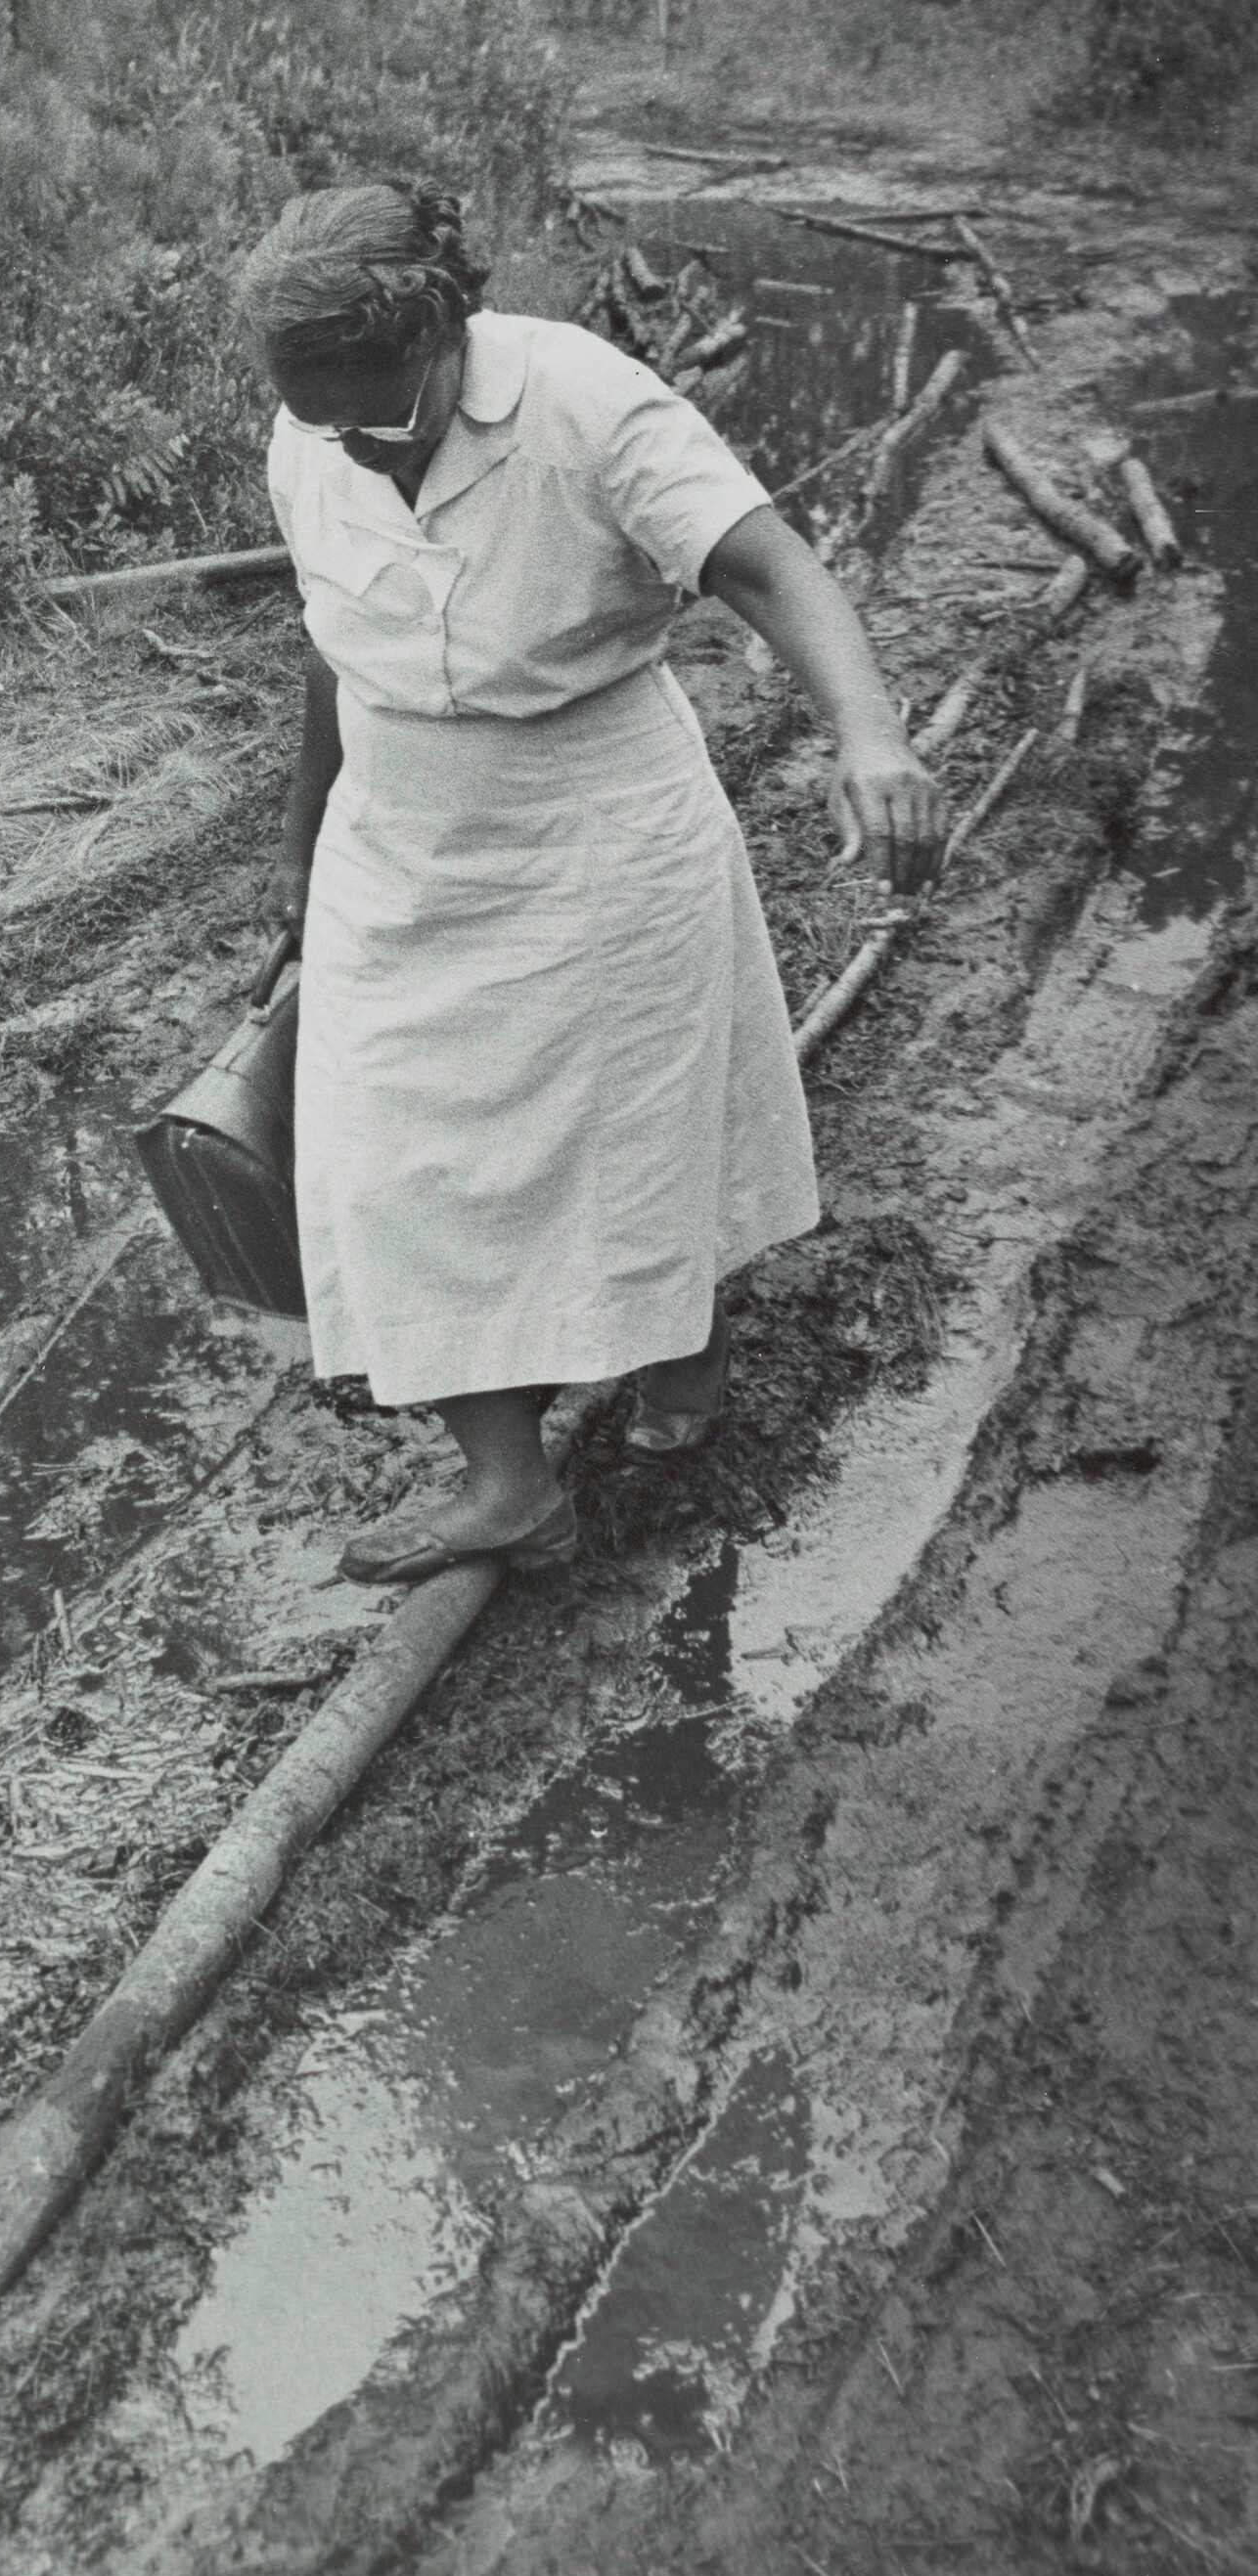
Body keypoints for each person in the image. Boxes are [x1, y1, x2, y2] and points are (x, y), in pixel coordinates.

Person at [234, 183, 945, 1585]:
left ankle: (681, 1367)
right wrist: (302, 869)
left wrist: (869, 733)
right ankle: (509, 1484)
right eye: (327, 424)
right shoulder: (309, 433)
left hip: (599, 827)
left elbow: (771, 566)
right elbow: (333, 647)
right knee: (394, 1167)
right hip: (401, 843)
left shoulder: (585, 401)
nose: (356, 449)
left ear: (446, 332)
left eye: (384, 414)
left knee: (637, 1138)